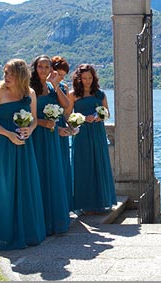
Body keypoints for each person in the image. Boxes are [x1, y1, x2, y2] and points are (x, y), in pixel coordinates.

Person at [0, 58, 46, 250]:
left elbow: (34, 120)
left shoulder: (30, 93)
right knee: (3, 186)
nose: (6, 77)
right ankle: (2, 233)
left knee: (26, 184)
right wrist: (9, 134)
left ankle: (27, 232)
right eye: (5, 73)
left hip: (24, 146)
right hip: (3, 145)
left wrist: (30, 130)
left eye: (10, 73)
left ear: (21, 75)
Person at [67, 64, 117, 214]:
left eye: (90, 77)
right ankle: (84, 203)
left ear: (93, 78)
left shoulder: (100, 94)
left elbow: (107, 113)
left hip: (97, 132)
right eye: (84, 78)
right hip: (81, 134)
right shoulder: (73, 94)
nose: (87, 81)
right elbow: (67, 116)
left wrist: (97, 117)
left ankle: (101, 201)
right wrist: (80, 119)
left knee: (99, 163)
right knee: (83, 165)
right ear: (79, 79)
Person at [30, 55, 71, 235]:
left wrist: (55, 85)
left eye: (47, 67)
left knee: (53, 174)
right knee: (37, 174)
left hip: (52, 136)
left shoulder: (52, 87)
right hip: (36, 135)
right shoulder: (29, 87)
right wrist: (41, 122)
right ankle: (40, 220)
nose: (44, 70)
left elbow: (66, 105)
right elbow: (24, 113)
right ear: (35, 68)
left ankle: (53, 220)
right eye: (40, 67)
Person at [52, 55, 73, 211]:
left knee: (64, 164)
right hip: (50, 128)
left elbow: (66, 113)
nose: (60, 78)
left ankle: (64, 203)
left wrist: (72, 125)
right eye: (58, 74)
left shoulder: (64, 88)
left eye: (63, 76)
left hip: (62, 129)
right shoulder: (42, 88)